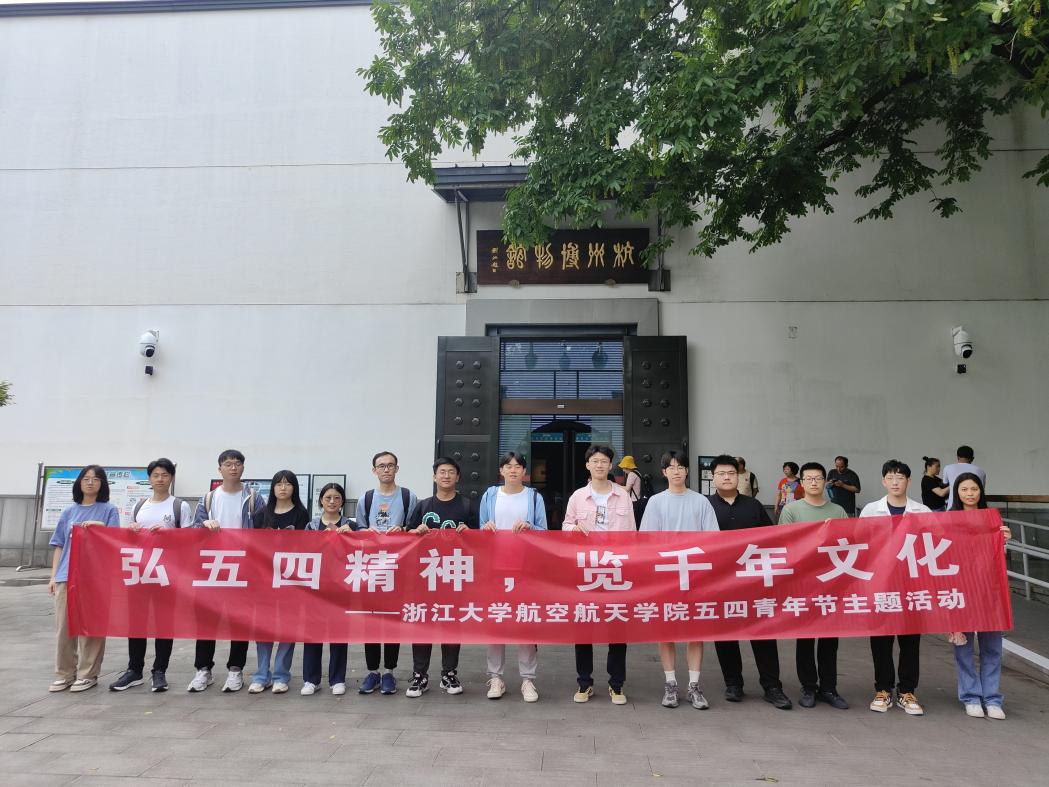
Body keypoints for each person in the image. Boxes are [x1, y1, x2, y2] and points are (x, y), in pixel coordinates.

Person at [706, 455, 791, 710]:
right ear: (713, 477)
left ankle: (772, 686)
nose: (727, 477)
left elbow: (772, 539)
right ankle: (733, 683)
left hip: (754, 582)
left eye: (731, 473)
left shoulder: (754, 506)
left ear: (739, 476)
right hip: (719, 582)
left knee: (763, 634)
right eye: (721, 473)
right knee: (725, 634)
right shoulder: (705, 506)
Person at [640, 451, 718, 710]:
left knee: (695, 632)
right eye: (671, 467)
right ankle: (670, 683)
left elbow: (713, 539)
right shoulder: (656, 502)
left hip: (695, 575)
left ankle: (694, 685)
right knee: (667, 631)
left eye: (680, 467)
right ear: (664, 472)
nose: (676, 471)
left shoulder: (701, 502)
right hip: (666, 576)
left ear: (687, 470)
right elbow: (647, 540)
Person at [109, 458, 192, 693]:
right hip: (140, 573)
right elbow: (128, 540)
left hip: (167, 575)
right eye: (156, 475)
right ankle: (134, 670)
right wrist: (131, 531)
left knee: (164, 623)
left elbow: (189, 541)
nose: (160, 479)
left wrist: (168, 534)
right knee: (137, 622)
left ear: (171, 478)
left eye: (165, 475)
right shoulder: (139, 506)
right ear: (149, 479)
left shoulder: (180, 506)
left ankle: (159, 671)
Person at [563, 444, 636, 704]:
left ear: (610, 465)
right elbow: (565, 525)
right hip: (587, 569)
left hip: (615, 569)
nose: (599, 465)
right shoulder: (578, 496)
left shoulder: (622, 495)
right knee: (584, 626)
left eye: (604, 461)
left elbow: (632, 533)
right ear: (587, 465)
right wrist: (573, 530)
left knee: (617, 627)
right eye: (595, 461)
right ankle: (584, 683)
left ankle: (616, 684)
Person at [860, 459, 932, 715]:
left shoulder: (922, 511)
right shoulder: (871, 510)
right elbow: (861, 544)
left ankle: (907, 691)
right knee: (881, 639)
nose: (895, 482)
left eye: (900, 478)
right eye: (890, 477)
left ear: (908, 481)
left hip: (912, 585)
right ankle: (883, 689)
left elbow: (935, 543)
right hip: (881, 585)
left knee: (910, 640)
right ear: (883, 481)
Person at [188, 449, 263, 693]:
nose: (233, 467)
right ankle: (203, 670)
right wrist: (203, 524)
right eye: (228, 464)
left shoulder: (254, 498)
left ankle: (235, 669)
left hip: (243, 568)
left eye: (237, 463)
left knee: (239, 621)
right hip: (213, 568)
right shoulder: (209, 499)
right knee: (206, 620)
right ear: (219, 468)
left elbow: (264, 532)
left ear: (243, 468)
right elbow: (193, 530)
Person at [404, 457, 478, 697]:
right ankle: (419, 675)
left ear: (458, 477)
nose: (446, 476)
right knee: (422, 624)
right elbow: (408, 535)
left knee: (451, 624)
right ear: (434, 476)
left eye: (451, 472)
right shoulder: (423, 505)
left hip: (455, 574)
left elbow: (481, 540)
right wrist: (416, 531)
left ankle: (449, 673)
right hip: (426, 574)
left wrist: (470, 533)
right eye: (442, 472)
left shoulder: (467, 506)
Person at [779, 462, 849, 710]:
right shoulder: (791, 510)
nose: (813, 483)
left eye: (818, 478)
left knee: (830, 640)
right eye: (808, 479)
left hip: (831, 583)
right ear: (802, 482)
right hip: (803, 583)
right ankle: (808, 686)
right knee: (806, 639)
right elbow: (785, 545)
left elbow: (848, 544)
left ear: (824, 481)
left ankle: (829, 687)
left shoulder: (838, 511)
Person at [479, 452, 548, 702]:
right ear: (501, 471)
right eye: (508, 466)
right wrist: (485, 528)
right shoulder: (490, 495)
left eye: (518, 466)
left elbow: (544, 531)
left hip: (525, 569)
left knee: (525, 622)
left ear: (524, 472)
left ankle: (528, 679)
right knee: (496, 622)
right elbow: (480, 529)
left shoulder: (534, 497)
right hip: (496, 568)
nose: (512, 470)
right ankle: (495, 677)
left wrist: (530, 527)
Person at [47, 465, 121, 693]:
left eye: (96, 479)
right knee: (64, 628)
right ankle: (64, 674)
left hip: (96, 577)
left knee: (92, 626)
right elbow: (59, 545)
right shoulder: (69, 512)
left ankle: (88, 674)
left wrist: (101, 528)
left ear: (102, 484)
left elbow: (115, 540)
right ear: (79, 483)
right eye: (86, 478)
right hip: (66, 575)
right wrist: (53, 576)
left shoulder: (109, 510)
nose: (90, 482)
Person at [947, 473, 1011, 720]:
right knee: (963, 647)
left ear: (981, 491)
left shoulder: (992, 518)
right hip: (961, 589)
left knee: (992, 647)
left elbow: (997, 556)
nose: (970, 494)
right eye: (964, 489)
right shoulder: (949, 520)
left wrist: (1005, 539)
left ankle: (992, 698)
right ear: (957, 492)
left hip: (990, 591)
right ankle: (971, 696)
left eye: (974, 489)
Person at [354, 450, 417, 695]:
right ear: (374, 470)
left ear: (397, 468)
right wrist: (366, 532)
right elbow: (358, 530)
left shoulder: (408, 497)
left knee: (392, 620)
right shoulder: (366, 498)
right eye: (381, 466)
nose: (386, 469)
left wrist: (404, 529)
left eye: (390, 465)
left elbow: (414, 529)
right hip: (371, 568)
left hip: (397, 568)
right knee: (370, 620)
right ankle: (373, 671)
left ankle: (389, 671)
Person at [249, 470, 310, 694]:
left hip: (290, 579)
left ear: (295, 487)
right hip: (264, 579)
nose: (283, 488)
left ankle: (281, 675)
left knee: (287, 628)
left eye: (288, 484)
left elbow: (306, 547)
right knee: (263, 628)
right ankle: (261, 675)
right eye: (278, 484)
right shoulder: (260, 514)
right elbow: (252, 547)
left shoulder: (301, 514)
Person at [302, 482, 354, 696]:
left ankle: (337, 679)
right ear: (321, 501)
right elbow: (304, 552)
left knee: (339, 633)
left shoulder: (351, 525)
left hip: (341, 587)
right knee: (312, 633)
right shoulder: (311, 526)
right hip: (316, 587)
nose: (332, 502)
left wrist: (352, 536)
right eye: (328, 498)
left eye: (337, 498)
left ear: (342, 502)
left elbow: (360, 552)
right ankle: (311, 679)